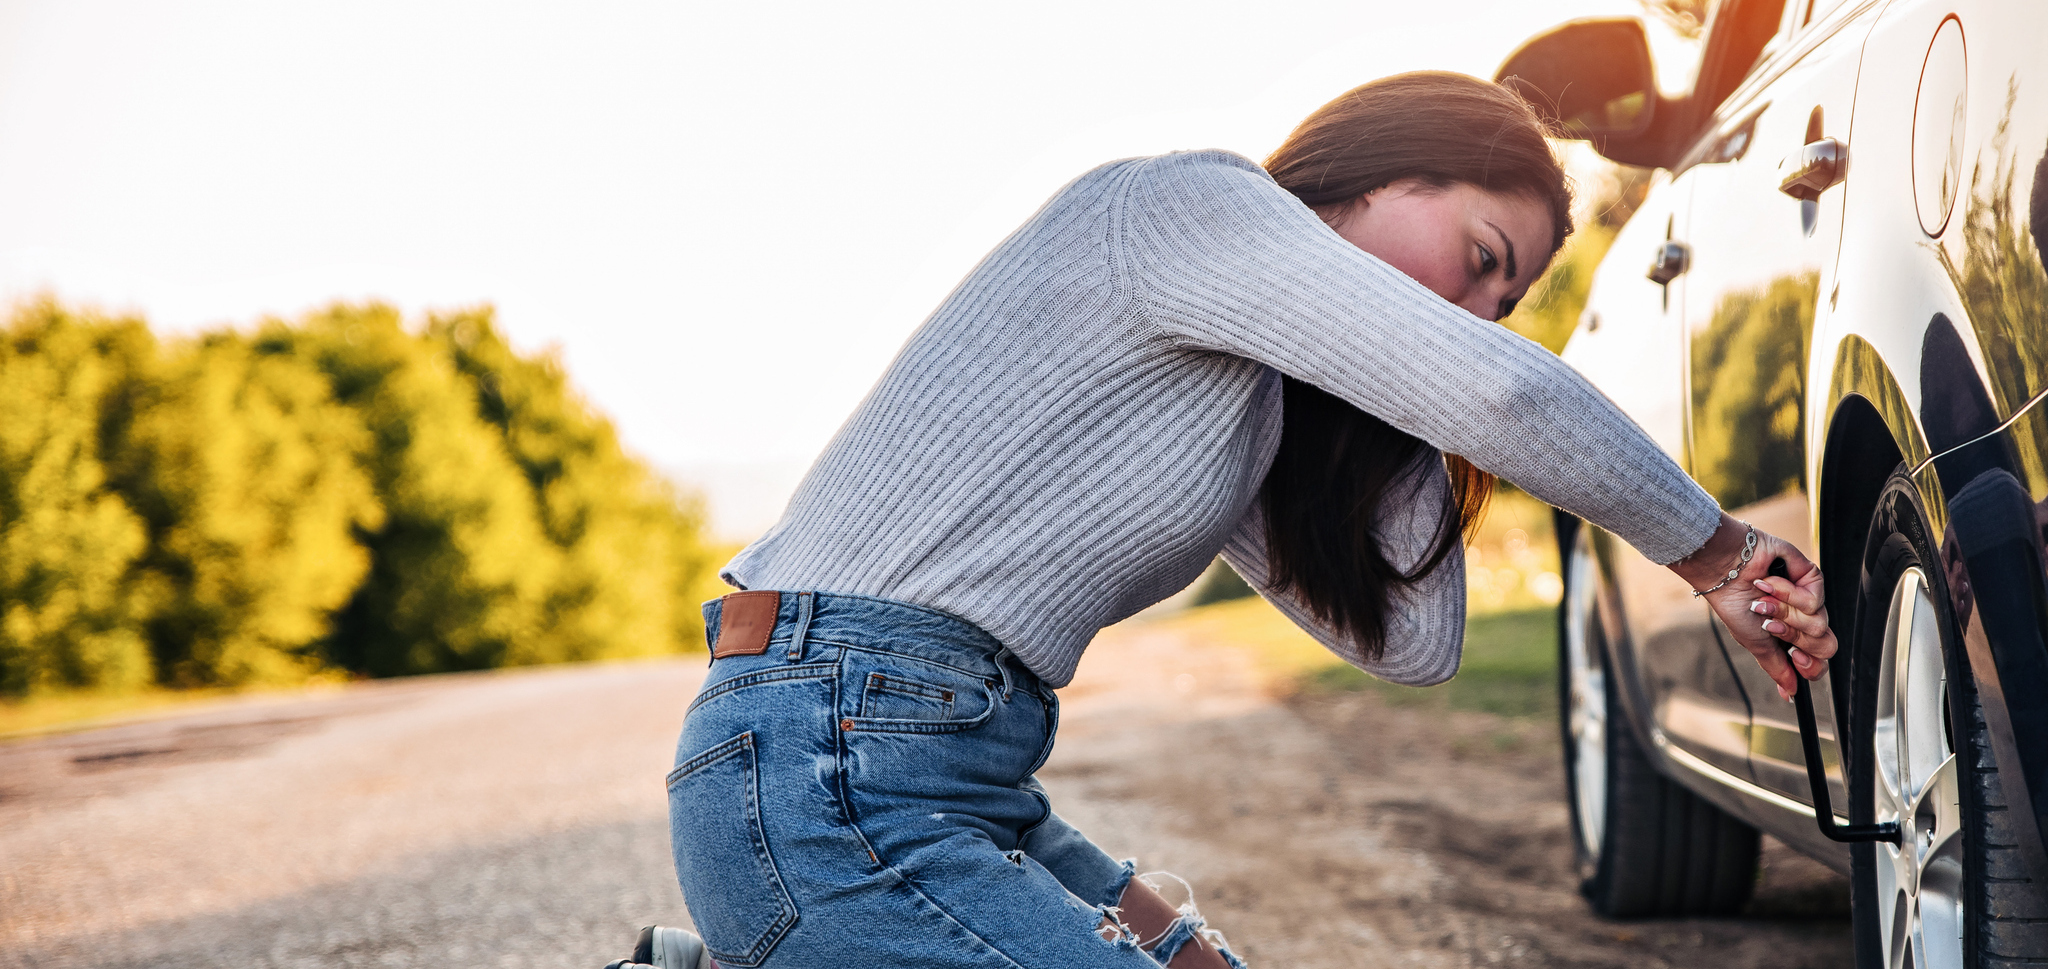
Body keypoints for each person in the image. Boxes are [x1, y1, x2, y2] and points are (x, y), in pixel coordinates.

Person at [605, 71, 1837, 969]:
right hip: (830, 759)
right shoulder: (1186, 207)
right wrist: (1715, 550)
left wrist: (1406, 391)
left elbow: (1413, 644)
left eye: (1499, 298)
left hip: (944, 771)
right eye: (1476, 254)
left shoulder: (1245, 402)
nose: (1477, 309)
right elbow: (1505, 390)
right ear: (1376, 165)